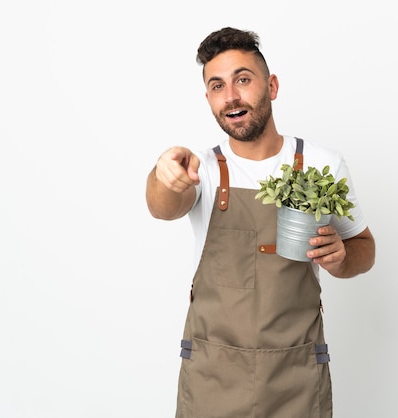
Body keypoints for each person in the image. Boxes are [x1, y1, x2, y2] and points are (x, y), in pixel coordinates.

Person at [146, 26, 375, 418]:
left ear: (271, 86)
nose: (231, 96)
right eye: (217, 86)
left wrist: (342, 258)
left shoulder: (322, 165)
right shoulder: (202, 169)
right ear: (208, 99)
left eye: (243, 80)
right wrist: (164, 174)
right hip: (212, 379)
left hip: (296, 378)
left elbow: (364, 249)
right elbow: (163, 205)